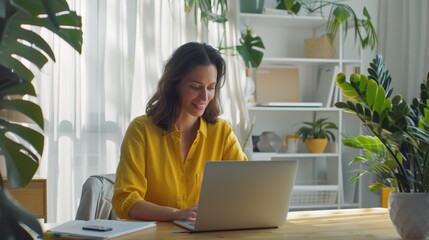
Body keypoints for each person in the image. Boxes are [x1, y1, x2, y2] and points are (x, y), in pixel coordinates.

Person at [112, 42, 248, 222]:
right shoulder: (141, 131)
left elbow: (246, 187)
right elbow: (125, 200)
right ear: (174, 84)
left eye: (210, 87)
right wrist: (176, 215)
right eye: (195, 86)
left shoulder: (222, 132)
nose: (204, 97)